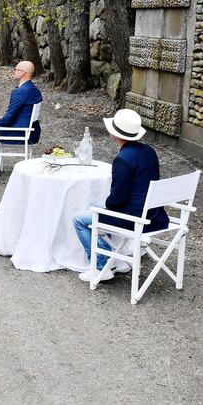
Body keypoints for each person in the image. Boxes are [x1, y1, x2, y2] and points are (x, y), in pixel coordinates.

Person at [72, 109, 170, 282]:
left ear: (114, 134)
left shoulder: (123, 159)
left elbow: (117, 199)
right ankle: (113, 257)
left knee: (79, 219)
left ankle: (101, 266)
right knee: (95, 207)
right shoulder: (149, 151)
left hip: (134, 218)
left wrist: (106, 204)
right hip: (154, 215)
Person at [0, 60, 42, 178]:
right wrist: (2, 118)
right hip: (30, 131)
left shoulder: (20, 92)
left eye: (16, 69)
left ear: (23, 73)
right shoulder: (33, 89)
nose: (14, 71)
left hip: (18, 132)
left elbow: (8, 119)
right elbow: (17, 114)